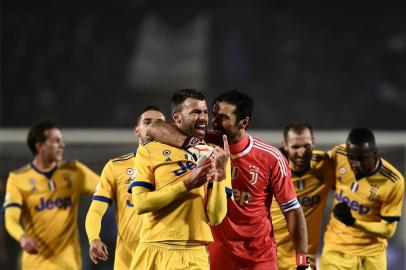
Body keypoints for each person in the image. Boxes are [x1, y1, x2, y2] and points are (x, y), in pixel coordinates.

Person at [147, 90, 311, 270]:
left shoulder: (270, 157)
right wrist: (191, 144)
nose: (214, 122)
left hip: (258, 260)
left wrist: (302, 260)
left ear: (243, 123)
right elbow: (155, 127)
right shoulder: (205, 142)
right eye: (214, 115)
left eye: (223, 118)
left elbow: (292, 210)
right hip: (214, 258)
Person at [128, 89, 232, 270]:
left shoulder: (217, 155)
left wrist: (219, 178)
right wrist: (185, 185)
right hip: (152, 248)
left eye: (205, 112)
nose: (203, 118)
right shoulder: (150, 150)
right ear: (177, 118)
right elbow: (140, 204)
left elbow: (216, 217)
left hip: (193, 254)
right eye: (195, 112)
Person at [3, 121, 99, 270]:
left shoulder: (75, 171)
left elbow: (106, 189)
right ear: (39, 146)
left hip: (69, 264)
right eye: (56, 141)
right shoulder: (17, 179)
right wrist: (22, 238)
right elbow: (10, 218)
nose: (62, 145)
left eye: (61, 140)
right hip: (36, 263)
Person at [85, 106, 166, 269]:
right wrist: (94, 238)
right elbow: (96, 210)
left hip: (168, 261)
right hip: (128, 263)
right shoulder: (116, 167)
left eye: (159, 123)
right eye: (147, 122)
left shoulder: (179, 167)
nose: (153, 127)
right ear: (137, 131)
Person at [319, 127, 404, 270]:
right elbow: (318, 168)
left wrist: (353, 222)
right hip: (337, 249)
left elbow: (388, 230)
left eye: (362, 158)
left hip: (372, 254)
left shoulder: (393, 182)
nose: (355, 164)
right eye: (351, 158)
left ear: (374, 154)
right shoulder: (339, 154)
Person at [271, 122, 335, 270]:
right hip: (271, 259)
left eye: (306, 146)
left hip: (303, 263)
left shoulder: (326, 166)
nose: (302, 152)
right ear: (285, 145)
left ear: (313, 141)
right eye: (295, 147)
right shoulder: (272, 169)